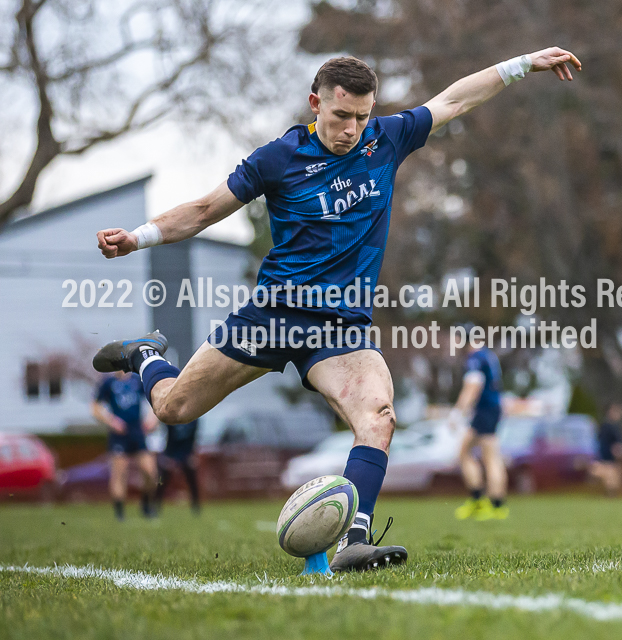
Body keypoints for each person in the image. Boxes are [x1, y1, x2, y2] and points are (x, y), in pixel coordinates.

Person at [93, 49, 581, 570]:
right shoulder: (277, 158)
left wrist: (524, 63)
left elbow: (455, 99)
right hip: (274, 315)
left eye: (362, 116)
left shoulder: (386, 139)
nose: (352, 129)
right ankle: (146, 355)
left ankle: (354, 541)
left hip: (341, 326)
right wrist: (138, 237)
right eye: (341, 116)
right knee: (173, 410)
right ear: (315, 104)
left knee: (378, 417)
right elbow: (205, 210)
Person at [450, 340, 508, 520]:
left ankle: (485, 502)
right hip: (492, 409)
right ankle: (490, 503)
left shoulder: (475, 358)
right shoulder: (487, 355)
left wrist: (458, 412)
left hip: (485, 411)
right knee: (484, 455)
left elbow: (472, 387)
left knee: (478, 454)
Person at [91, 371, 158, 520]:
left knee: (150, 471)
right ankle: (120, 512)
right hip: (119, 434)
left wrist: (152, 419)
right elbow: (95, 407)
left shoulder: (137, 380)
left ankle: (147, 504)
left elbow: (154, 399)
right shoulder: (108, 382)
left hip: (137, 431)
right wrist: (111, 421)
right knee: (120, 472)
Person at [155, 420, 201, 514]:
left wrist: (192, 454)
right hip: (171, 451)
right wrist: (167, 457)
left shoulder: (194, 419)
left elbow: (194, 436)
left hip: (186, 452)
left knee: (192, 477)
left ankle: (196, 505)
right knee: (161, 479)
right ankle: (156, 503)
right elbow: (167, 435)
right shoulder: (172, 417)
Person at [589, 402, 622, 496]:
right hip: (605, 461)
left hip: (611, 461)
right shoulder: (607, 427)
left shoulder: (615, 427)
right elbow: (613, 446)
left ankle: (609, 495)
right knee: (609, 478)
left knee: (612, 482)